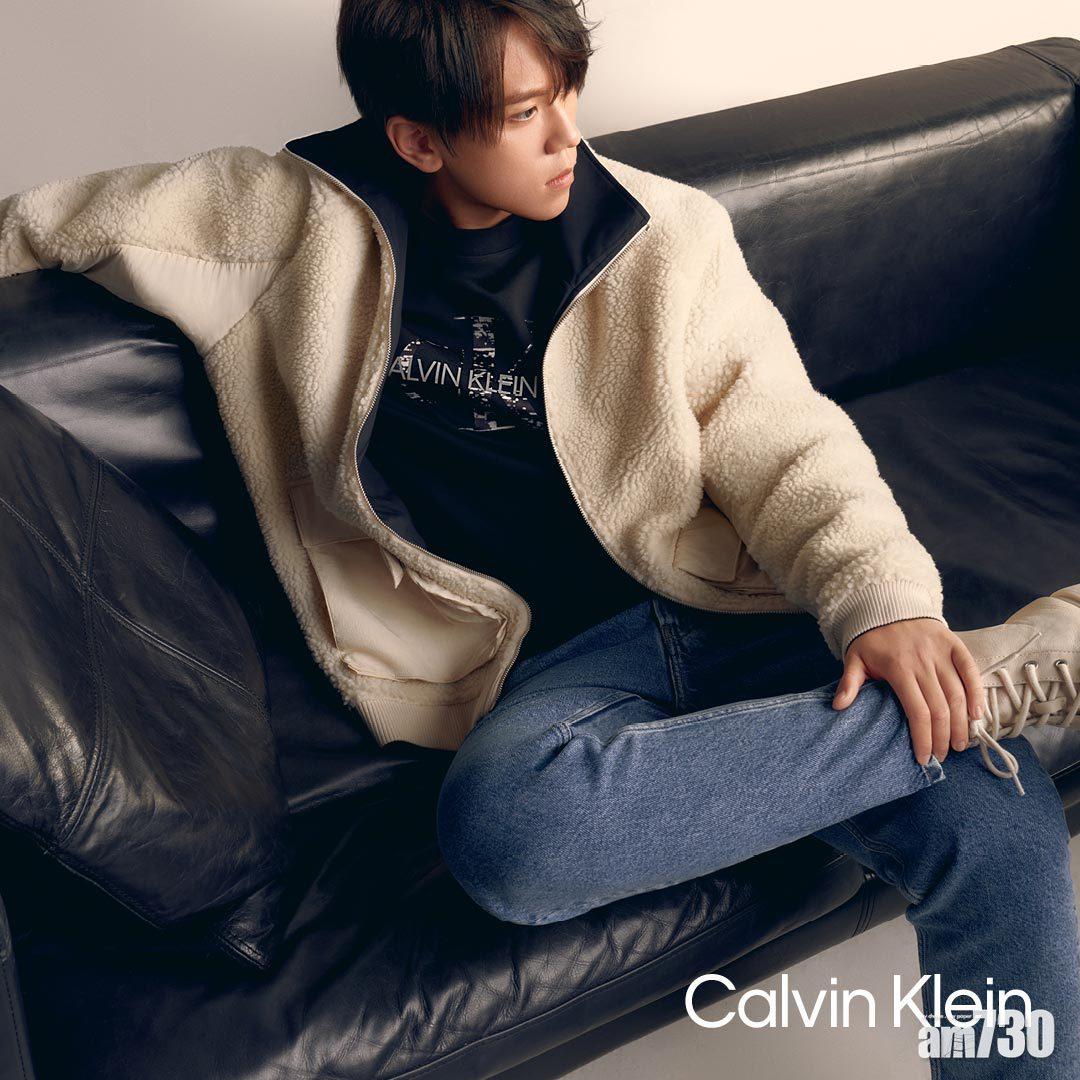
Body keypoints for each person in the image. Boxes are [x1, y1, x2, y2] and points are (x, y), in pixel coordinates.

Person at [2, 2, 1078, 1073]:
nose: (570, 135)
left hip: (728, 608)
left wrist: (886, 608)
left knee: (998, 825)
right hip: (552, 672)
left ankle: (984, 696)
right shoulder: (280, 224)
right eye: (526, 113)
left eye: (568, 91)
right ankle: (997, 689)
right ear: (418, 140)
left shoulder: (663, 236)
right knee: (510, 835)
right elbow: (49, 221)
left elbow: (788, 446)